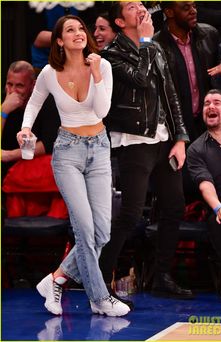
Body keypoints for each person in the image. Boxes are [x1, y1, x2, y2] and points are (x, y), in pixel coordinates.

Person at [17, 14, 130, 317]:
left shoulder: (101, 65)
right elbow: (34, 102)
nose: (79, 33)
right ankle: (99, 298)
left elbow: (102, 110)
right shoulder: (49, 73)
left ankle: (56, 279)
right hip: (66, 151)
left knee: (101, 232)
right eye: (71, 30)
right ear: (59, 40)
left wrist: (96, 73)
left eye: (81, 28)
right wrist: (26, 127)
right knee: (84, 229)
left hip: (99, 149)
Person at [99, 1, 193, 300]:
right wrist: (148, 42)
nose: (140, 7)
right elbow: (139, 79)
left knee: (174, 205)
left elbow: (170, 93)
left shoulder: (154, 48)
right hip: (134, 141)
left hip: (164, 140)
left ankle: (161, 276)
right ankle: (100, 280)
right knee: (130, 214)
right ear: (119, 20)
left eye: (141, 3)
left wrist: (180, 137)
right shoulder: (110, 56)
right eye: (131, 5)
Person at [187, 89, 221, 300]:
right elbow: (204, 182)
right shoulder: (197, 149)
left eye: (216, 102)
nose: (210, 107)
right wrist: (217, 207)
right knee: (219, 222)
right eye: (206, 104)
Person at [154, 1, 219, 143]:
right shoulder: (155, 45)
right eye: (186, 8)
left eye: (194, 6)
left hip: (208, 122)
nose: (193, 11)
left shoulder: (209, 34)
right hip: (177, 131)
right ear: (169, 12)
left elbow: (218, 82)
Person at [1, 61, 60, 182]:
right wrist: (4, 110)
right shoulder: (4, 99)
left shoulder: (47, 102)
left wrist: (10, 155)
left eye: (19, 86)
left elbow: (48, 144)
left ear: (33, 85)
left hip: (35, 169)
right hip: (6, 169)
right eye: (9, 84)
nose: (13, 91)